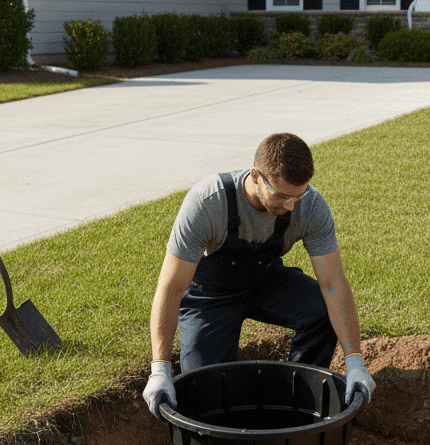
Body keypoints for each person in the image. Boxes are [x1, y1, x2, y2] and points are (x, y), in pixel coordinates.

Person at [143, 132, 375, 418]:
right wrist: (159, 370)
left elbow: (334, 284)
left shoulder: (310, 205)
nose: (290, 205)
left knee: (322, 311)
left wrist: (355, 363)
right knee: (207, 387)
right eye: (281, 196)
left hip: (266, 281)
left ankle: (298, 401)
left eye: (297, 195)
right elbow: (171, 288)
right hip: (210, 296)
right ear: (255, 176)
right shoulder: (208, 202)